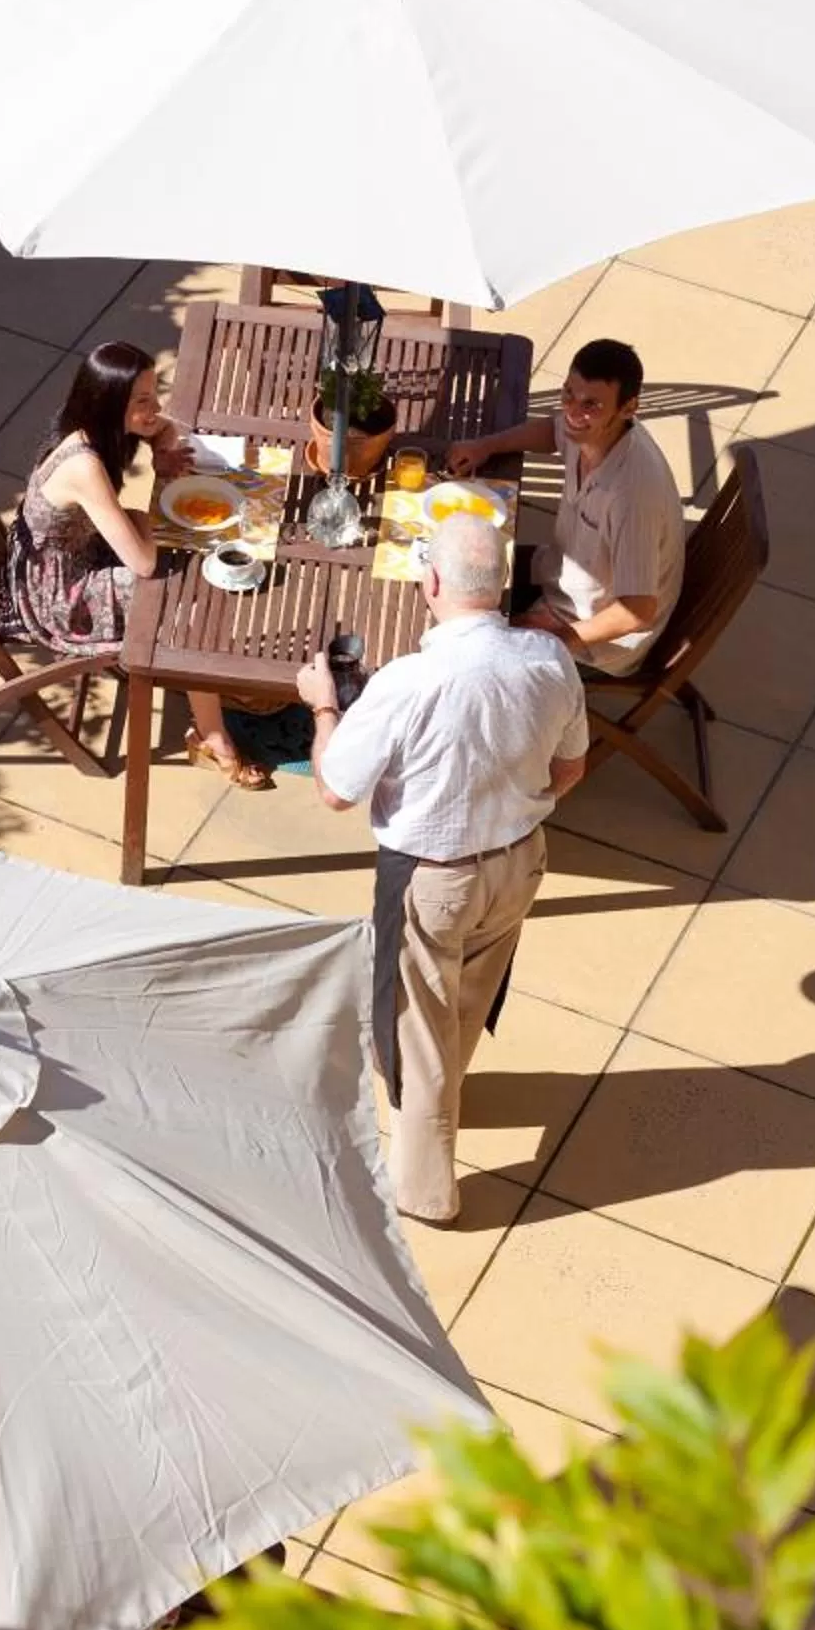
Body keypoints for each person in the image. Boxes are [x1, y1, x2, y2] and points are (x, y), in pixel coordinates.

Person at [296, 511, 589, 1226]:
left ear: (430, 581)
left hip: (435, 875)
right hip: (519, 863)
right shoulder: (550, 661)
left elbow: (335, 787)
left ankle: (424, 1191)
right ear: (503, 583)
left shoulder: (407, 682)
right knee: (464, 1001)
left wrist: (324, 707)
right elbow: (571, 768)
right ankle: (440, 1097)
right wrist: (512, 804)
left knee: (416, 1029)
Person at [6, 340, 270, 788]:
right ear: (110, 403)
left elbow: (164, 427)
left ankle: (207, 685)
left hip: (79, 550)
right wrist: (145, 518)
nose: (156, 406)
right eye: (143, 400)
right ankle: (211, 736)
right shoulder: (84, 463)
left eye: (154, 393)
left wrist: (161, 454)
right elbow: (144, 563)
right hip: (63, 594)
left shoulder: (95, 424)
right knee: (187, 600)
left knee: (189, 563)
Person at [450, 337, 685, 678]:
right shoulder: (591, 431)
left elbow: (637, 610)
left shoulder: (631, 495)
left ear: (628, 408)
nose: (573, 413)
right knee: (459, 567)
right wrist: (487, 445)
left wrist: (555, 640)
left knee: (466, 656)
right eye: (568, 395)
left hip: (592, 636)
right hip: (557, 577)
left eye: (591, 404)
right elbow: (552, 431)